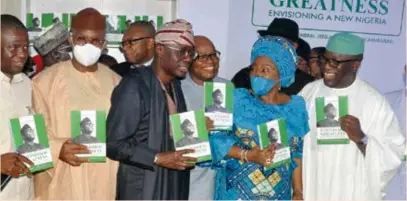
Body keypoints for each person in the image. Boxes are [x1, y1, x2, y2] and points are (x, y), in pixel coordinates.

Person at [300, 32, 405, 200]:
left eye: (335, 62)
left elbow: (393, 154)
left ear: (355, 64)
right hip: (313, 185)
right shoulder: (309, 92)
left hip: (350, 191)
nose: (327, 67)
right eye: (325, 59)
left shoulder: (373, 102)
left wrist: (362, 139)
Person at [32, 8, 121, 200]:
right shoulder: (44, 81)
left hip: (105, 178)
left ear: (104, 44)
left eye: (95, 40)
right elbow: (34, 132)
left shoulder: (117, 82)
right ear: (71, 40)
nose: (88, 45)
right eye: (81, 39)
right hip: (64, 178)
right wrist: (58, 148)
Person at [106, 19, 199, 200]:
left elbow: (174, 134)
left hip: (172, 185)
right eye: (182, 51)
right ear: (160, 49)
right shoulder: (134, 86)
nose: (188, 58)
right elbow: (113, 144)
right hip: (142, 189)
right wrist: (158, 157)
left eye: (191, 52)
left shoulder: (175, 87)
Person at [210, 36, 309, 200]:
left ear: (281, 75)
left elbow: (297, 153)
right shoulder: (234, 98)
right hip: (236, 193)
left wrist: (298, 191)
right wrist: (249, 155)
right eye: (253, 68)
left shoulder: (296, 107)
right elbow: (215, 141)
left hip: (278, 193)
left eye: (265, 70)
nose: (256, 74)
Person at [180, 35, 227, 200]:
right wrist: (200, 128)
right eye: (202, 57)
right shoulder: (177, 89)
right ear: (188, 59)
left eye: (213, 55)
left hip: (223, 175)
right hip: (193, 178)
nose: (211, 61)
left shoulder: (227, 87)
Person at [0, 14, 35, 200]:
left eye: (25, 47)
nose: (22, 53)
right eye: (13, 47)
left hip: (24, 192)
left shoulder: (28, 85)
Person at [231, 18, 299, 90]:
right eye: (269, 40)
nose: (273, 45)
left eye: (280, 43)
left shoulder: (304, 84)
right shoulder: (243, 77)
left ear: (294, 46)